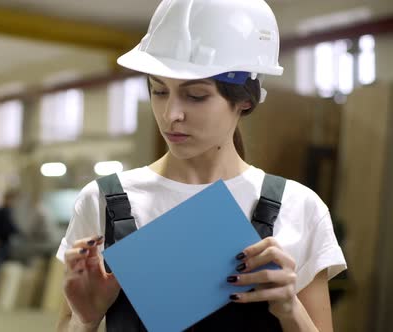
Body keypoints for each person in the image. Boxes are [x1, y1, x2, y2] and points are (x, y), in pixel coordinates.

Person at [56, 0, 347, 331]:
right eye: (159, 91)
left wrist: (288, 307)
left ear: (245, 99)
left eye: (195, 96)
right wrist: (86, 318)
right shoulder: (103, 201)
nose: (171, 114)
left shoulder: (298, 207)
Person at [0, 189, 20, 274]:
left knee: (2, 268)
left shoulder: (9, 212)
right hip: (0, 243)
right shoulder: (0, 212)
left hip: (5, 243)